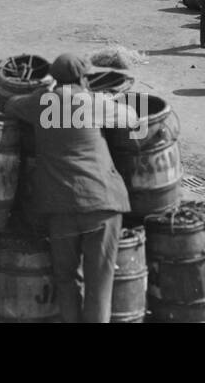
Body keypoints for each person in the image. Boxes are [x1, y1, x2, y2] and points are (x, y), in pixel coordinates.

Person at [7, 53, 137, 323]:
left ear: (55, 79)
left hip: (61, 206)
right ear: (82, 78)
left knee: (66, 281)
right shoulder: (92, 102)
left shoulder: (41, 103)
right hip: (101, 204)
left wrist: (42, 92)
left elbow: (10, 105)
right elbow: (132, 117)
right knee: (98, 287)